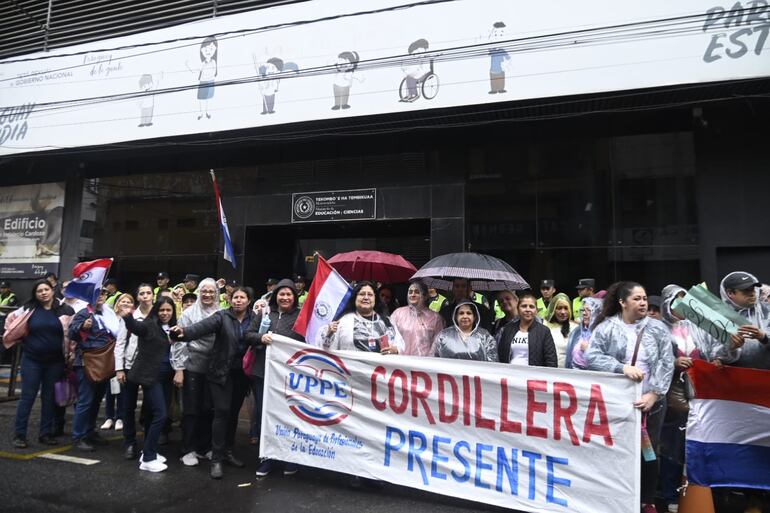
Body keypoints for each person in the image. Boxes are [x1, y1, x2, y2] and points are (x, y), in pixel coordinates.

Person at [586, 281, 675, 513]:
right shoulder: (606, 328)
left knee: (649, 452)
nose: (643, 302)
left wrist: (654, 395)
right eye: (637, 298)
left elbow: (666, 363)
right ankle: (617, 498)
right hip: (617, 403)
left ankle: (647, 500)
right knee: (617, 450)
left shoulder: (657, 329)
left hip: (651, 405)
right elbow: (592, 357)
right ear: (622, 302)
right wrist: (620, 367)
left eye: (644, 298)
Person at [170, 286, 253, 479]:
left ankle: (227, 451)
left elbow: (257, 336)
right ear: (230, 300)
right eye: (235, 297)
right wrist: (182, 332)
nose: (238, 300)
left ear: (249, 301)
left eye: (242, 297)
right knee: (222, 412)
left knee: (233, 414)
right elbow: (200, 328)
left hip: (241, 374)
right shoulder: (221, 316)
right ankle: (216, 458)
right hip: (220, 373)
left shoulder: (254, 318)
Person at [658, 284, 718, 512]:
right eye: (677, 301)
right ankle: (668, 494)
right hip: (672, 392)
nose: (682, 307)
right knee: (673, 443)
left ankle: (691, 489)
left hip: (697, 390)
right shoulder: (657, 328)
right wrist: (673, 364)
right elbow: (650, 361)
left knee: (693, 443)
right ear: (667, 304)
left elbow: (708, 352)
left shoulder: (694, 327)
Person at [246, 278, 305, 477]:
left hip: (289, 377)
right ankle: (266, 457)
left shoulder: (300, 317)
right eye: (282, 294)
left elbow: (309, 341)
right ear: (275, 296)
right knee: (264, 415)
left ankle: (288, 458)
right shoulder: (265, 313)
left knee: (287, 416)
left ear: (294, 297)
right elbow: (248, 334)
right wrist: (261, 338)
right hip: (263, 374)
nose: (285, 297)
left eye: (289, 294)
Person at [5, 279, 75, 448]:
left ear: (52, 291)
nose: (43, 293)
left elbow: (73, 333)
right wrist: (17, 337)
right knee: (27, 398)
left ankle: (46, 433)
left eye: (46, 289)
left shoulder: (65, 309)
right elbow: (10, 321)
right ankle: (19, 435)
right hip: (32, 360)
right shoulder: (29, 308)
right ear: (35, 294)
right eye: (39, 291)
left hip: (56, 362)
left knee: (49, 399)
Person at [116, 296, 176, 472]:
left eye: (168, 310)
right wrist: (127, 317)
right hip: (151, 376)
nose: (165, 313)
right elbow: (136, 327)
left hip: (166, 376)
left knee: (154, 414)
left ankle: (150, 452)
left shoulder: (173, 328)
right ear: (156, 311)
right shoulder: (149, 325)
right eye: (162, 310)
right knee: (161, 414)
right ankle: (148, 458)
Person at [173, 278, 221, 467]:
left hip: (213, 368)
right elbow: (178, 342)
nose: (208, 295)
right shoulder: (188, 313)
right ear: (199, 292)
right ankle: (188, 449)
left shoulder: (221, 313)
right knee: (191, 410)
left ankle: (203, 447)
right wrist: (179, 369)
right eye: (204, 291)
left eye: (211, 291)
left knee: (208, 409)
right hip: (192, 366)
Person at [68, 289, 121, 451]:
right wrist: (82, 326)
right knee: (85, 401)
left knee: (97, 400)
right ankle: (79, 436)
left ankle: (89, 432)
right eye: (98, 293)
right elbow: (71, 333)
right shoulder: (84, 313)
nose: (101, 296)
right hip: (88, 362)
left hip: (104, 362)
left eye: (104, 294)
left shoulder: (109, 314)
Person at [322, 281, 405, 354]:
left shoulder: (387, 321)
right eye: (362, 294)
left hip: (380, 370)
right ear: (355, 298)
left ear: (375, 299)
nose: (366, 297)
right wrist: (329, 335)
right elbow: (328, 351)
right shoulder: (343, 321)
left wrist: (395, 350)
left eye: (370, 294)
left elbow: (400, 344)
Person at [716, 271, 770, 370]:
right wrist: (731, 348)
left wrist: (763, 337)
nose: (752, 294)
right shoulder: (717, 318)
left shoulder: (767, 311)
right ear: (730, 293)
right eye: (746, 290)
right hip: (734, 379)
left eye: (753, 289)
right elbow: (709, 352)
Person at [100, 293, 133, 432]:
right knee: (110, 389)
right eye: (122, 301)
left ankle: (120, 417)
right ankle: (109, 417)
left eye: (128, 302)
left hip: (126, 358)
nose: (125, 303)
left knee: (122, 389)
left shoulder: (133, 319)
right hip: (109, 357)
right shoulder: (110, 317)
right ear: (117, 303)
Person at [497, 292, 557, 367]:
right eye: (524, 306)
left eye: (531, 307)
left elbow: (551, 360)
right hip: (511, 375)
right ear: (518, 309)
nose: (528, 309)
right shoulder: (508, 329)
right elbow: (500, 356)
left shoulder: (544, 331)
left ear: (536, 311)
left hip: (533, 377)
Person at [390, 280, 444, 357]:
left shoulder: (435, 318)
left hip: (423, 364)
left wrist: (429, 362)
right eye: (410, 292)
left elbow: (437, 344)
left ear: (425, 296)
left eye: (417, 292)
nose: (413, 294)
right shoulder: (398, 314)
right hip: (401, 363)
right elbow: (390, 335)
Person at [433, 300, 498, 362]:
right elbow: (434, 358)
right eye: (461, 313)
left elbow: (493, 362)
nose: (465, 316)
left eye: (469, 313)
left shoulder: (485, 336)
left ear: (475, 316)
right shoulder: (444, 335)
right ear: (455, 316)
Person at [565, 297, 603, 369]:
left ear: (597, 312)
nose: (584, 313)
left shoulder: (604, 334)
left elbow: (606, 362)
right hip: (574, 376)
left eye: (589, 310)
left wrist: (588, 350)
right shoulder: (576, 332)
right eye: (583, 310)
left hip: (593, 377)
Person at [544, 292, 578, 367]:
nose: (563, 312)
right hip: (550, 371)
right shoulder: (545, 326)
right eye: (559, 308)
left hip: (570, 372)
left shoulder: (576, 328)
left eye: (566, 308)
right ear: (553, 310)